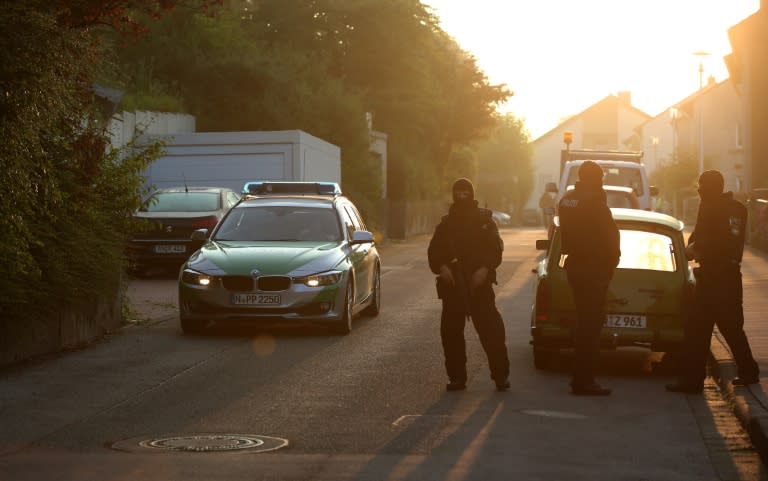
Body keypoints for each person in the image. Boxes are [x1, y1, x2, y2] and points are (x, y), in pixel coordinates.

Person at [666, 170, 759, 393]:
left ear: (708, 188)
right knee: (732, 328)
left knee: (697, 331)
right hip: (729, 276)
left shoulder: (710, 207)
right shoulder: (737, 209)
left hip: (713, 277)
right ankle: (748, 371)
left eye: (701, 186)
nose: (698, 190)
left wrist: (690, 251)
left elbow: (703, 240)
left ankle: (693, 380)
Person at [428, 178, 511, 392]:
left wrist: (484, 270)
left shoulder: (484, 221)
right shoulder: (446, 224)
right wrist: (442, 267)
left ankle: (500, 376)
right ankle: (457, 377)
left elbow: (495, 251)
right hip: (453, 288)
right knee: (451, 334)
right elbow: (434, 253)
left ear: (472, 194)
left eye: (466, 193)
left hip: (480, 287)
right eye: (459, 193)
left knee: (492, 332)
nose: (462, 197)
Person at [558, 161, 620, 396]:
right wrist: (611, 264)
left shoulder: (567, 200)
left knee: (583, 323)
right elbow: (610, 236)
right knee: (591, 326)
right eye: (601, 178)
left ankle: (579, 377)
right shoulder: (595, 202)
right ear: (596, 179)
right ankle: (585, 380)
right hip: (594, 269)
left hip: (575, 266)